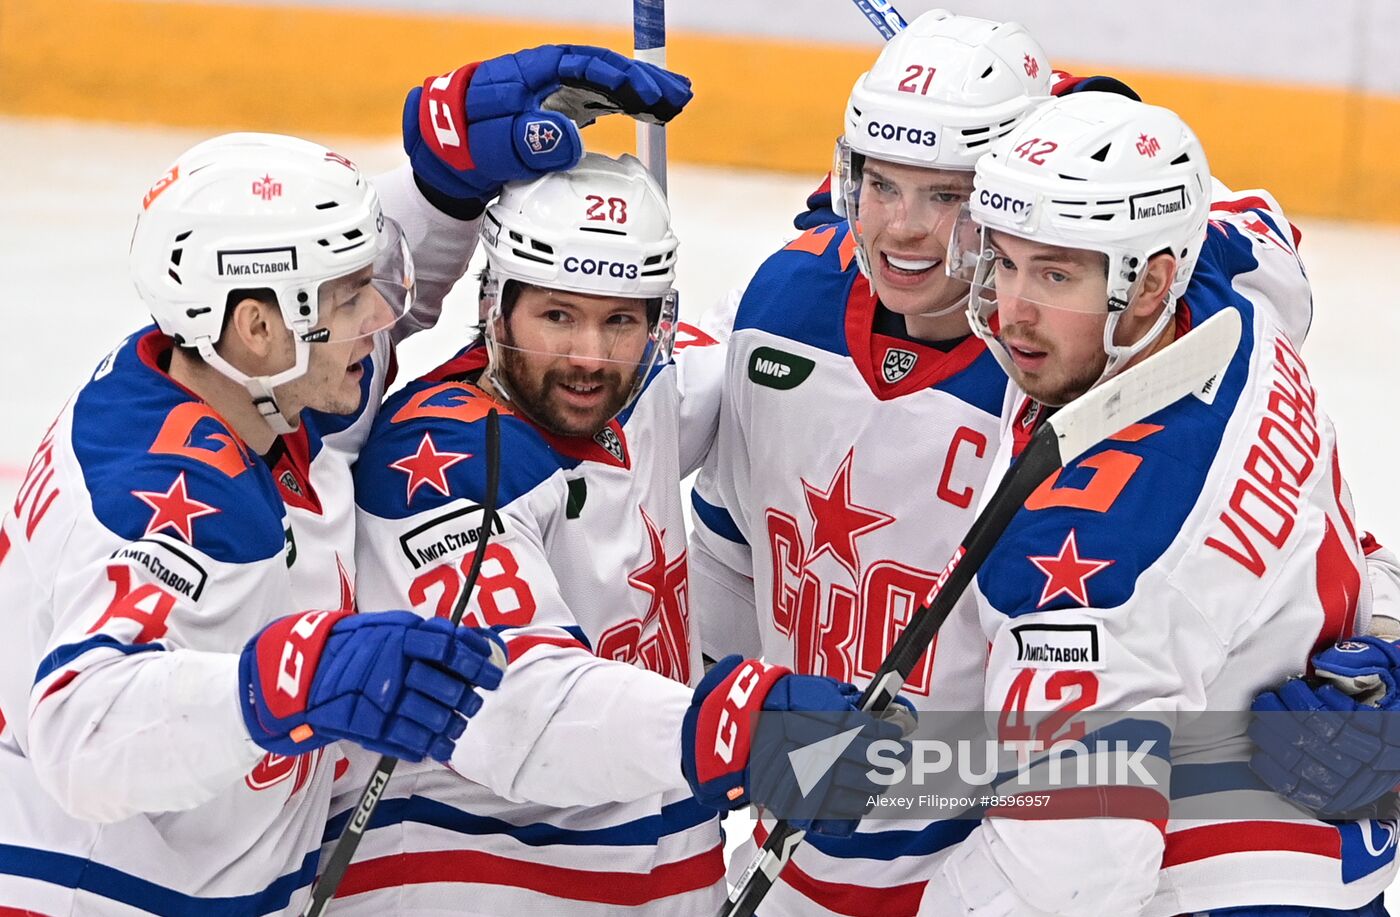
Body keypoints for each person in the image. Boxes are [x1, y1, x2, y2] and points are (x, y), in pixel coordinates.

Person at [0, 43, 694, 914]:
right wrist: (289, 680)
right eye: (350, 297)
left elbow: (341, 333)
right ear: (257, 326)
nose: (387, 316)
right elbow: (84, 727)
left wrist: (444, 178)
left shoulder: (246, 387)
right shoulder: (174, 497)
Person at [328, 151, 903, 914]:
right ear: (496, 305)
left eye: (619, 319)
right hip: (479, 881)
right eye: (558, 316)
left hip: (650, 880)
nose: (589, 358)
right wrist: (736, 722)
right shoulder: (439, 468)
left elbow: (756, 351)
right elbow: (519, 706)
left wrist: (864, 250)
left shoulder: (643, 386)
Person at [915, 91, 1396, 916]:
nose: (1014, 310)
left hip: (1212, 891)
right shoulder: (1237, 286)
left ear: (1151, 282)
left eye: (1057, 273)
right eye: (1007, 260)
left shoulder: (1091, 564)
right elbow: (1244, 213)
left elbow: (1064, 881)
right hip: (1330, 856)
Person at [686, 10, 1059, 913]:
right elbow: (730, 554)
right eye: (881, 184)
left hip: (999, 862)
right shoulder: (786, 304)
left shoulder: (1062, 367)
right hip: (797, 852)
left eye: (946, 197)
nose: (906, 230)